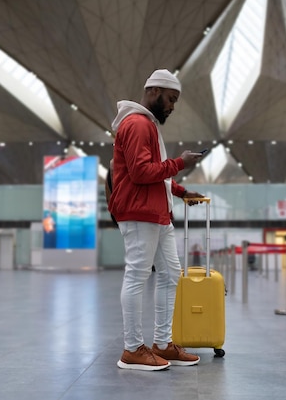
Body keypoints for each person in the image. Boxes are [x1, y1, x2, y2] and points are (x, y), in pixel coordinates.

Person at [109, 69, 204, 371]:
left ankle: (162, 343)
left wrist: (180, 190)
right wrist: (180, 163)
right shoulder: (137, 124)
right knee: (138, 274)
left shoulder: (146, 124)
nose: (173, 107)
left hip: (157, 213)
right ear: (153, 91)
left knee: (169, 273)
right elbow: (140, 173)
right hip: (140, 213)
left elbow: (154, 175)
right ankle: (132, 349)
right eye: (171, 99)